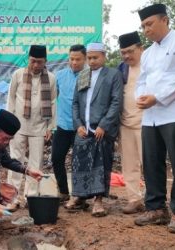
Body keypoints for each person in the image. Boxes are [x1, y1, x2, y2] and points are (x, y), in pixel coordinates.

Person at [134, 4, 175, 234]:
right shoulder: (147, 53)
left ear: (164, 20)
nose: (146, 29)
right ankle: (155, 208)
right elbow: (141, 80)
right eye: (143, 26)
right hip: (151, 116)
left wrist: (158, 97)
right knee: (151, 162)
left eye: (149, 24)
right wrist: (141, 97)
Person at [69, 42, 123, 216]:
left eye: (95, 58)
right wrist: (78, 125)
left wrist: (104, 125)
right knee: (80, 163)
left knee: (101, 164)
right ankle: (79, 197)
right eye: (90, 58)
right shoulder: (83, 75)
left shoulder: (113, 75)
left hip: (102, 129)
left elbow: (116, 102)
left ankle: (98, 201)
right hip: (83, 129)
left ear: (104, 57)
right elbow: (75, 103)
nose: (92, 61)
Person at [6, 45, 56, 211]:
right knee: (15, 161)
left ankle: (31, 197)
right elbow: (11, 99)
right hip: (18, 126)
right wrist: (9, 124)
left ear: (45, 61)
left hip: (39, 127)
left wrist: (50, 127)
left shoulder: (51, 78)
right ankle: (12, 197)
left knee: (36, 164)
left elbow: (54, 103)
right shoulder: (18, 75)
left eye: (39, 62)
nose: (35, 65)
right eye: (33, 61)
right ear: (28, 59)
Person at [51, 44, 86, 203]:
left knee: (79, 162)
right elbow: (53, 99)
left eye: (78, 59)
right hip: (63, 125)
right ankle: (63, 192)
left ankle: (80, 195)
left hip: (81, 127)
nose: (74, 62)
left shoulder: (89, 75)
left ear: (84, 59)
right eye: (71, 59)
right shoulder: (59, 75)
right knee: (56, 158)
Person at [117, 31, 145, 214]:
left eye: (130, 51)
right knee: (129, 164)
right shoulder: (121, 68)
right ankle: (134, 199)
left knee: (150, 163)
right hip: (125, 123)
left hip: (147, 123)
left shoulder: (151, 65)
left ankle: (154, 200)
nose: (127, 56)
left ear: (141, 48)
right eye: (123, 52)